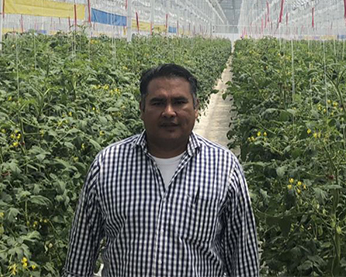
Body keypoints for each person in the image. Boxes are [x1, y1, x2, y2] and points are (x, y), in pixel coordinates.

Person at [62, 63, 259, 276]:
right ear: (142, 108)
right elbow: (78, 261)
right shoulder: (107, 165)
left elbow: (243, 261)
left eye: (179, 102)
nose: (169, 112)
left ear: (196, 107)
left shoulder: (224, 167)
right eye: (158, 102)